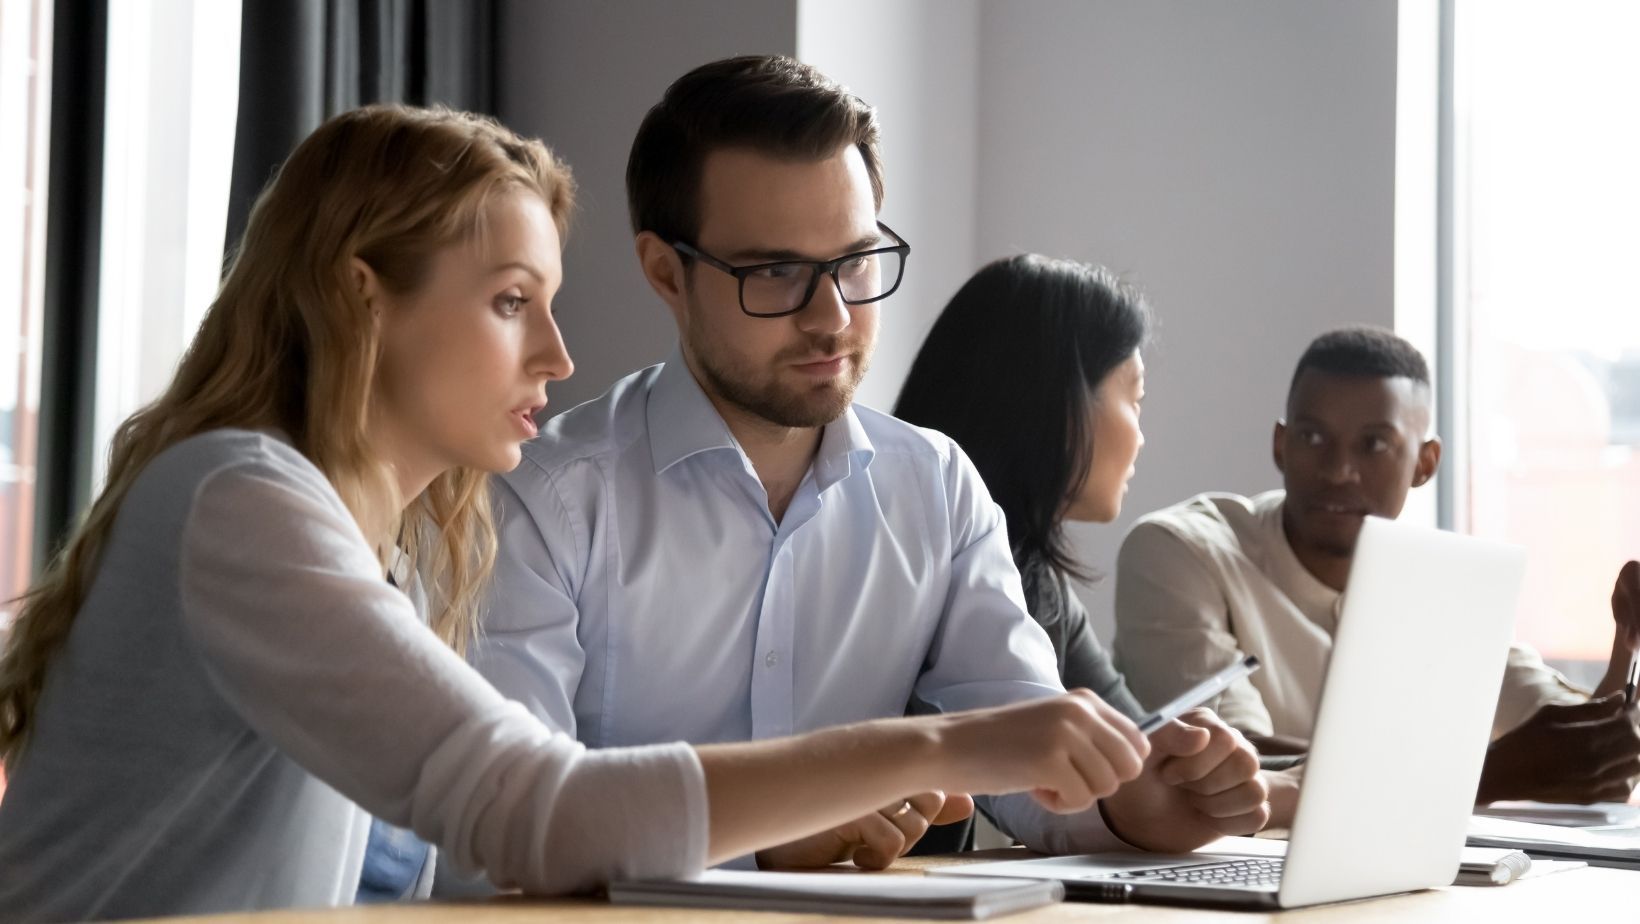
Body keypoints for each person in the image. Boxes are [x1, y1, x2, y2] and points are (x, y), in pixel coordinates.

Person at [0, 104, 1175, 922]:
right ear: (360, 298)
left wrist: (773, 838)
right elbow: (533, 811)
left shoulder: (387, 554)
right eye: (512, 302)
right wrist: (943, 744)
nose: (559, 357)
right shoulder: (243, 502)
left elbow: (440, 871)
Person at [471, 54, 1268, 876]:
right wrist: (752, 844)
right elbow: (506, 828)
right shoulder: (543, 500)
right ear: (666, 273)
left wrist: (1133, 806)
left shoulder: (934, 486)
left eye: (855, 262)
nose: (834, 317)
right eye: (776, 272)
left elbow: (1023, 751)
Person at [1113, 325, 1640, 804]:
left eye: (1375, 445)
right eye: (1313, 437)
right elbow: (1231, 767)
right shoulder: (1180, 552)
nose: (1339, 471)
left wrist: (1626, 645)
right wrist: (1485, 773)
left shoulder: (1445, 586)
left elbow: (1586, 753)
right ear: (1281, 444)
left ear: (1425, 463)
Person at [893, 254, 1304, 841]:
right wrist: (1295, 792)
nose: (1141, 433)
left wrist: (1282, 780)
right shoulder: (922, 566)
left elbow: (1138, 757)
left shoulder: (1040, 584)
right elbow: (1071, 796)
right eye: (1133, 396)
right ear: (1055, 401)